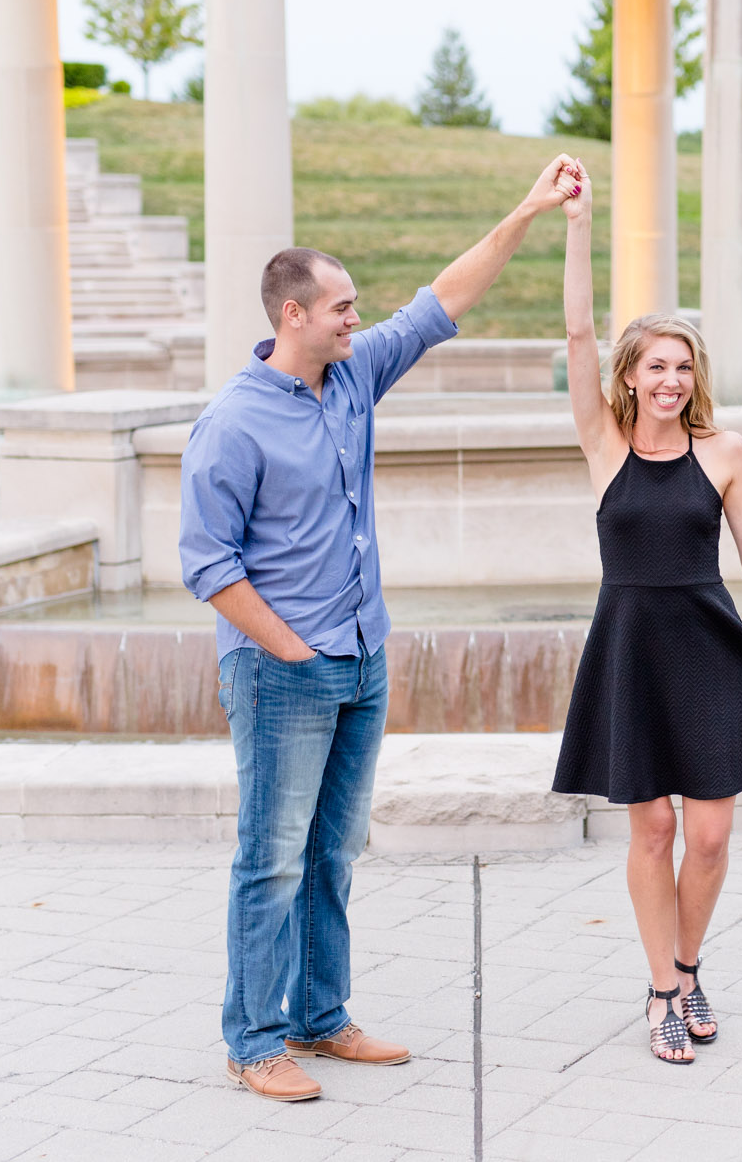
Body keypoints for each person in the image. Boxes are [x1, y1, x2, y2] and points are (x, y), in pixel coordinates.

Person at [180, 156, 584, 1101]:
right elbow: (208, 566)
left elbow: (444, 298)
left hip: (363, 658)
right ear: (293, 315)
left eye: (356, 307)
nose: (356, 318)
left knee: (333, 850)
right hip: (285, 672)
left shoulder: (354, 377)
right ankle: (254, 1041)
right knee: (270, 858)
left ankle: (321, 1018)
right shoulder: (232, 424)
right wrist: (290, 649)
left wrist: (526, 206)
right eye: (341, 307)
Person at [548, 159, 742, 1065]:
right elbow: (577, 328)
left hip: (708, 646)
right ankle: (662, 990)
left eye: (682, 366)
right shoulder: (603, 440)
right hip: (631, 645)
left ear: (693, 376)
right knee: (655, 826)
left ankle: (689, 961)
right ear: (629, 376)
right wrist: (577, 222)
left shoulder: (726, 451)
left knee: (708, 831)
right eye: (653, 366)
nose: (668, 380)